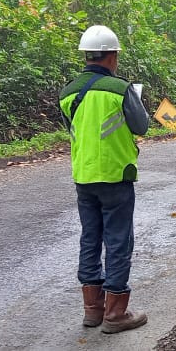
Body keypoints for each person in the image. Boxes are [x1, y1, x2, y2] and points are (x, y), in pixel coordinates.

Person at [58, 25, 150, 334]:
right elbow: (141, 125)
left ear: (86, 55)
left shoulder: (68, 91)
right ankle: (115, 314)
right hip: (115, 174)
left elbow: (72, 127)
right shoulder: (120, 88)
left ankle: (92, 311)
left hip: (83, 175)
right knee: (118, 240)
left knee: (89, 238)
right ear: (112, 56)